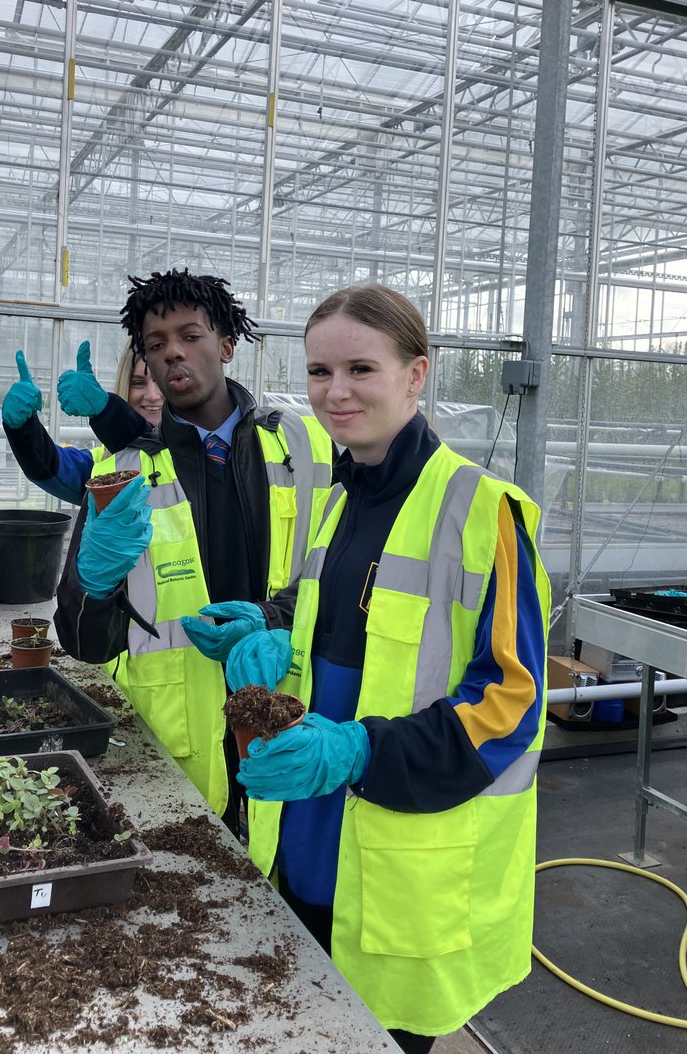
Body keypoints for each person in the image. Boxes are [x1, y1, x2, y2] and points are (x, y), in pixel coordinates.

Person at [189, 283, 550, 1051]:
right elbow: (329, 607)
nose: (336, 392)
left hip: (399, 864)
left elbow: (510, 706)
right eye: (320, 372)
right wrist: (271, 624)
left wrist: (359, 749)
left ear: (417, 375)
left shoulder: (483, 513)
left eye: (361, 368)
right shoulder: (342, 493)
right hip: (306, 839)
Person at [53, 267, 334, 834]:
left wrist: (272, 618)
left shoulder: (304, 446)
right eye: (156, 346)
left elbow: (340, 574)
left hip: (295, 728)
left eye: (190, 336)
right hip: (173, 751)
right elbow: (82, 642)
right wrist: (95, 581)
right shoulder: (122, 471)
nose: (172, 354)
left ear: (227, 345)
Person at [1, 342, 164, 505]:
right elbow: (51, 469)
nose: (152, 395)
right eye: (138, 383)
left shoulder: (186, 453)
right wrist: (23, 427)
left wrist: (108, 411)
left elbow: (158, 450)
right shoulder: (105, 461)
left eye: (162, 381)